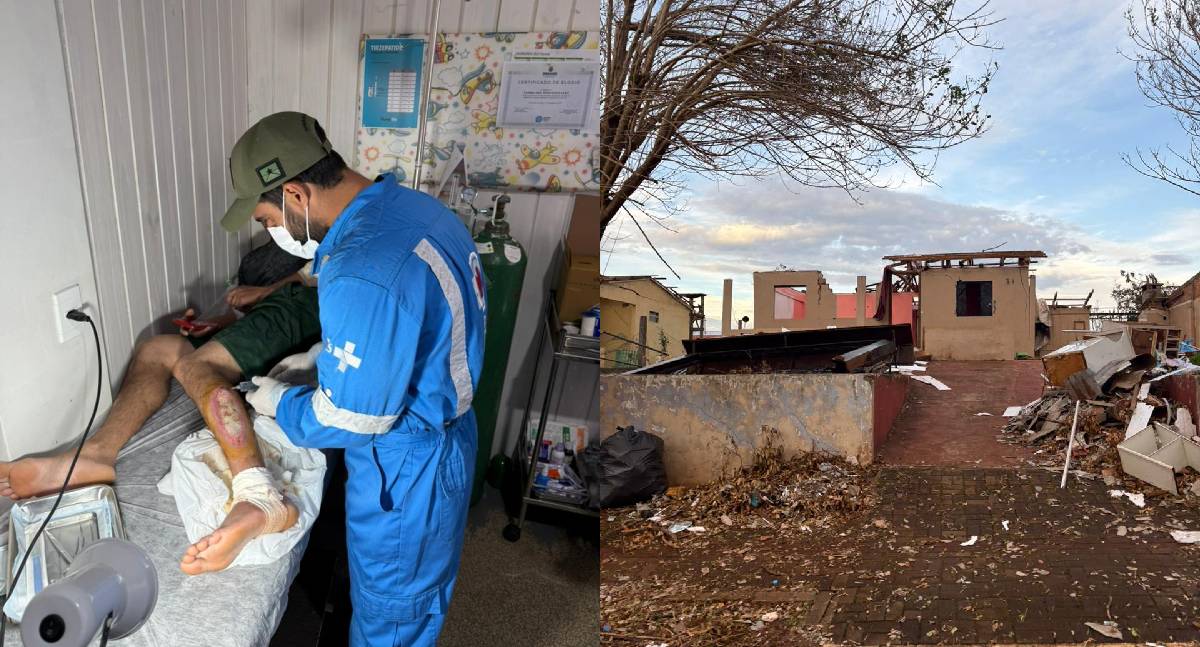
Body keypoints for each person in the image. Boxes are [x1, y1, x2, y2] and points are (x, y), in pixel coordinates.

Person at [221, 111, 485, 646]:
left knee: (391, 621)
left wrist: (279, 401)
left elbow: (346, 419)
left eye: (267, 218)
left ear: (296, 195)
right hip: (447, 435)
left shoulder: (363, 267)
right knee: (416, 603)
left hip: (407, 473)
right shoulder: (410, 208)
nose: (271, 232)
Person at [0, 242, 319, 574]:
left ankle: (259, 494)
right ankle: (97, 454)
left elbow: (308, 276)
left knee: (196, 367)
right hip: (271, 315)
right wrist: (224, 325)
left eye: (268, 219)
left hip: (297, 305)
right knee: (157, 348)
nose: (267, 226)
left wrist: (265, 291)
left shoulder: (333, 240)